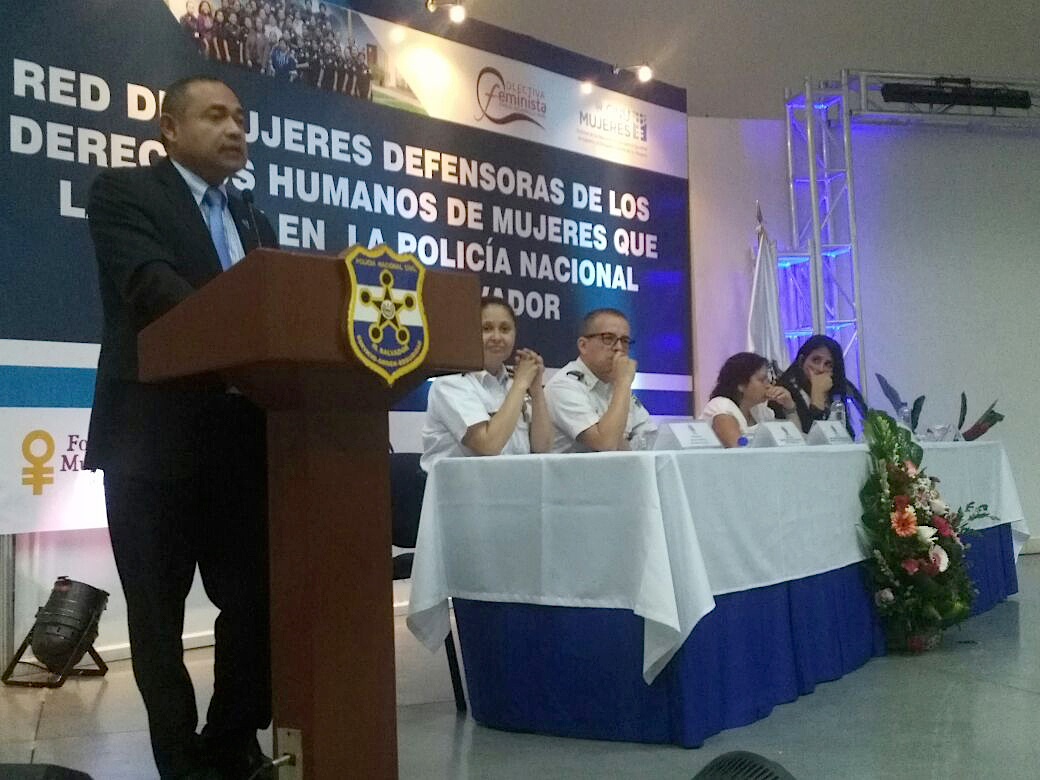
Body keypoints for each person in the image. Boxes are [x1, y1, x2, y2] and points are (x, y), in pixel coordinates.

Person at [85, 76, 277, 780]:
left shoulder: (253, 217)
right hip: (151, 441)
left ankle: (231, 739)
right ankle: (179, 760)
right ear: (169, 128)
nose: (235, 130)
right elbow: (153, 288)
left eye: (241, 118)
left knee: (255, 601)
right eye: (216, 116)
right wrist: (246, 338)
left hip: (240, 440)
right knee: (157, 618)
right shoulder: (124, 193)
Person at [421, 296, 552, 471]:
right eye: (486, 328)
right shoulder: (450, 383)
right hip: (463, 486)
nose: (497, 337)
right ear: (469, 334)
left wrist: (536, 391)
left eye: (505, 329)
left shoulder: (514, 381)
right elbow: (488, 446)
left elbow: (543, 448)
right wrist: (521, 384)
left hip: (514, 482)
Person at [544, 308, 656, 452]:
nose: (619, 348)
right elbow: (606, 444)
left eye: (624, 341)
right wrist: (623, 383)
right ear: (583, 345)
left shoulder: (614, 385)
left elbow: (652, 439)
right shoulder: (563, 386)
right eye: (608, 338)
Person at [699, 352, 797, 447]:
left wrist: (790, 407)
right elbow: (738, 450)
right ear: (741, 385)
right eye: (762, 380)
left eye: (768, 380)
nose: (768, 385)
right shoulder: (722, 407)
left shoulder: (760, 409)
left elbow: (795, 442)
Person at [776, 335, 867, 434]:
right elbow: (811, 437)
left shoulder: (835, 387)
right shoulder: (784, 392)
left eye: (828, 364)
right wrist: (817, 396)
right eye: (816, 360)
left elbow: (848, 434)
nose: (821, 369)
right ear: (802, 361)